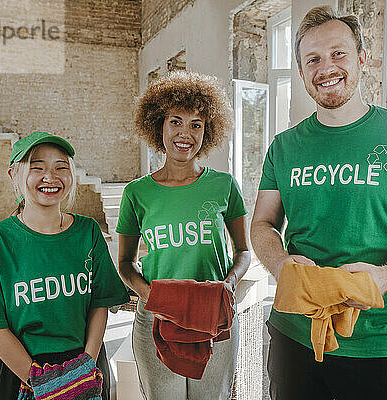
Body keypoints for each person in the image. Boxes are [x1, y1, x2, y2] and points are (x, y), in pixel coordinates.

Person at [250, 6, 387, 400]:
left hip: (380, 342)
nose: (325, 67)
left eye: (338, 53)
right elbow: (262, 224)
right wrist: (280, 264)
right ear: (301, 73)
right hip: (293, 333)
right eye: (312, 59)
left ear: (362, 58)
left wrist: (380, 279)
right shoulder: (283, 147)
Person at [0, 131, 130, 400]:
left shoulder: (88, 232)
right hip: (19, 374)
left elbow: (99, 303)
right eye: (37, 168)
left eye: (61, 167)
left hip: (85, 367)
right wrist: (40, 381)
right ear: (14, 175)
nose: (51, 177)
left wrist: (83, 370)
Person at [116, 71, 251, 400]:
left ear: (208, 131)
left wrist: (229, 285)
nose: (185, 133)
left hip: (213, 315)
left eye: (196, 124)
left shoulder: (223, 186)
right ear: (158, 125)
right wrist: (150, 295)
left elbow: (243, 251)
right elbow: (124, 263)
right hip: (156, 316)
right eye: (176, 121)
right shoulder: (137, 193)